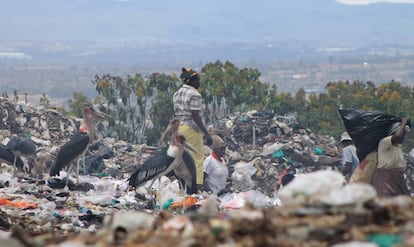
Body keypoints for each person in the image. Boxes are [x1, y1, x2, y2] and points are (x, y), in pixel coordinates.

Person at [173, 67, 212, 191]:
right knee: (198, 158)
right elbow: (195, 115)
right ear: (191, 81)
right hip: (191, 129)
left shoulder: (177, 93)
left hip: (179, 128)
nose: (199, 83)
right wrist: (206, 133)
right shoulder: (195, 94)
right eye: (197, 80)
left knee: (182, 159)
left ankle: (183, 187)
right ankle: (198, 189)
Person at [372, 118, 411, 197]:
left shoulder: (398, 146)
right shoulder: (385, 141)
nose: (404, 135)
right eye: (403, 132)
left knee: (404, 202)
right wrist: (403, 123)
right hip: (387, 177)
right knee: (388, 200)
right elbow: (397, 136)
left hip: (397, 177)